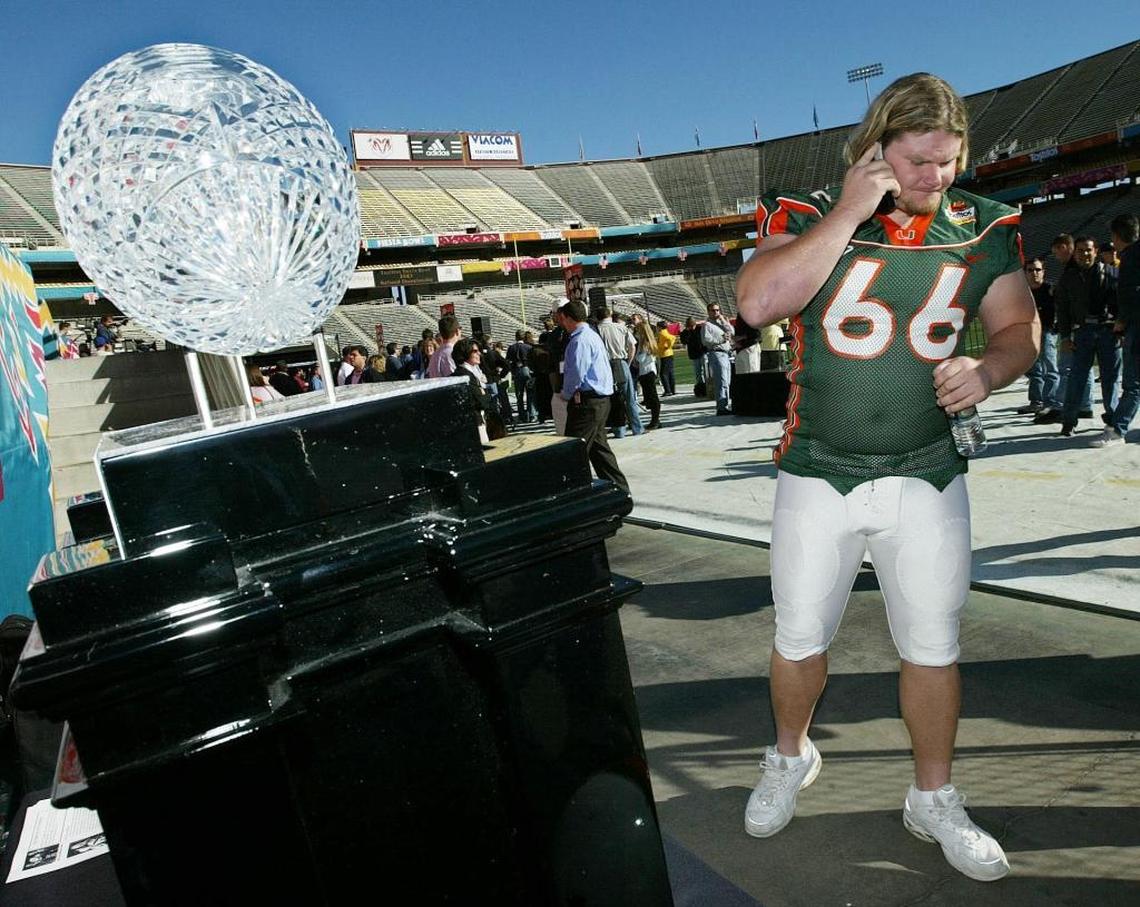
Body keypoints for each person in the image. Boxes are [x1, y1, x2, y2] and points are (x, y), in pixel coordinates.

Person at [734, 72, 1038, 883]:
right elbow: (760, 302)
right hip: (818, 469)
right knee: (799, 638)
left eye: (947, 160)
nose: (934, 178)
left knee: (933, 647)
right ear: (875, 149)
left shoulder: (985, 225)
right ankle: (789, 756)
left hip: (927, 473)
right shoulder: (805, 214)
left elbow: (1019, 328)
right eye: (915, 161)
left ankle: (932, 797)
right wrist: (848, 212)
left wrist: (989, 367)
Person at [558, 299, 629, 493]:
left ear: (567, 317)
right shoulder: (591, 334)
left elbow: (576, 372)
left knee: (573, 451)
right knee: (600, 451)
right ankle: (620, 491)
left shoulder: (579, 340)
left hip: (587, 403)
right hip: (599, 400)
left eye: (561, 318)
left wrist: (566, 394)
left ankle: (573, 495)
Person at [1055, 236, 1119, 437]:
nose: (1084, 254)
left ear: (1096, 250)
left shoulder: (1111, 273)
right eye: (1081, 250)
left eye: (1088, 250)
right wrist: (1065, 337)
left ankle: (1114, 419)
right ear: (1075, 253)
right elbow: (1063, 310)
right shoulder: (1068, 278)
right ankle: (1069, 421)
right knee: (1077, 378)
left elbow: (1123, 303)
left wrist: (1122, 329)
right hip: (1082, 332)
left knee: (1111, 378)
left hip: (1109, 332)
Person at [1098, 213, 1140, 446]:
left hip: (1136, 325)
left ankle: (1118, 429)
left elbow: (1130, 292)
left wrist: (1122, 320)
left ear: (1116, 236)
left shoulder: (1130, 257)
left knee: (1132, 383)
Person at [1019, 258, 1062, 420]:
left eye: (1037, 270)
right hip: (1028, 332)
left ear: (1043, 272)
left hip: (1047, 332)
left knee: (1050, 367)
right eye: (1030, 270)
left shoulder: (1050, 289)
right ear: (1025, 273)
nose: (1034, 273)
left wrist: (1055, 326)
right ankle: (1036, 401)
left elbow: (1061, 308)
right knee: (1033, 369)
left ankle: (1050, 402)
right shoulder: (1022, 292)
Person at [596, 307, 641, 438]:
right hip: (621, 362)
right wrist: (628, 361)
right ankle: (637, 427)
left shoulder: (597, 330)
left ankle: (618, 429)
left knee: (613, 399)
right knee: (629, 397)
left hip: (605, 365)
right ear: (609, 315)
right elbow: (632, 345)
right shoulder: (620, 327)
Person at [701, 303, 734, 415]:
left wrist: (724, 321)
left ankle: (725, 405)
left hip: (726, 353)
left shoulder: (721, 323)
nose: (716, 312)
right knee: (721, 380)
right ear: (708, 312)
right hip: (716, 353)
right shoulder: (707, 325)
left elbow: (732, 332)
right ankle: (721, 407)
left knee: (727, 381)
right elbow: (705, 340)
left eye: (717, 310)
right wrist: (721, 340)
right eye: (713, 310)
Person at [633, 320, 661, 430]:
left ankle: (655, 420)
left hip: (648, 372)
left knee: (653, 397)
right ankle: (655, 420)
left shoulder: (645, 343)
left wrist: (636, 356)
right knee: (649, 397)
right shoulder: (643, 343)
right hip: (645, 371)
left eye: (638, 331)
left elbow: (641, 358)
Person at [680, 315, 708, 396]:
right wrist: (687, 331)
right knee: (698, 372)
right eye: (690, 326)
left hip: (703, 352)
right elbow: (684, 342)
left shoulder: (700, 329)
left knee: (706, 371)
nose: (692, 327)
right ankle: (700, 386)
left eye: (693, 325)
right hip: (694, 354)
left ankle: (707, 385)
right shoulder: (685, 332)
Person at [655, 321, 677, 396]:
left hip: (665, 355)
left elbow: (671, 338)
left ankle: (668, 390)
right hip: (669, 354)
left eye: (657, 326)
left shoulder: (662, 333)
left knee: (663, 374)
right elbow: (672, 337)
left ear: (660, 327)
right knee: (670, 373)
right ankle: (672, 389)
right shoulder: (665, 332)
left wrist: (667, 346)